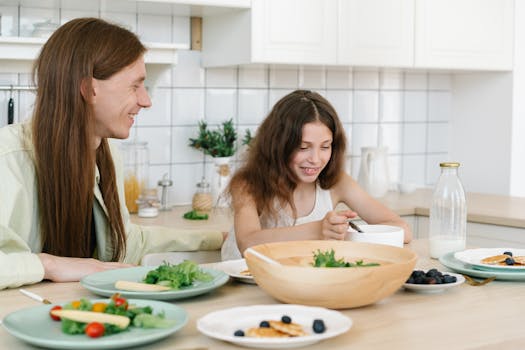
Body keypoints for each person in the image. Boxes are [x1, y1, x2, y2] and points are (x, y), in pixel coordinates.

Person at [0, 18, 224, 290]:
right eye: (135, 86)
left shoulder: (107, 157)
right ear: (88, 89)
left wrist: (219, 238)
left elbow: (124, 242)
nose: (146, 100)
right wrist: (50, 264)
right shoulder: (8, 158)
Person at [221, 90, 412, 260]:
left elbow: (402, 230)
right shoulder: (248, 184)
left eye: (325, 147)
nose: (316, 159)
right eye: (303, 147)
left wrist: (344, 234)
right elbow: (248, 242)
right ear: (278, 145)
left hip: (299, 279)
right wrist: (317, 230)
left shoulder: (337, 182)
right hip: (244, 281)